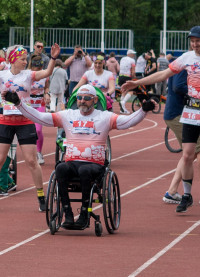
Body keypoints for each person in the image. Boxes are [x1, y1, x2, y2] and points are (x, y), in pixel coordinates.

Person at [9, 85, 148, 229]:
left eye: (87, 98)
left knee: (85, 171)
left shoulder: (105, 117)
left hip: (95, 164)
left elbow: (128, 122)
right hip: (72, 162)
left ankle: (84, 214)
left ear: (94, 100)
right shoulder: (68, 115)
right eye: (79, 98)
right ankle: (68, 213)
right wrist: (18, 104)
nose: (82, 101)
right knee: (61, 168)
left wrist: (143, 110)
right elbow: (40, 117)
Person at [0, 41, 62, 212]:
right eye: (23, 59)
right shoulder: (1, 75)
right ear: (14, 59)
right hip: (5, 121)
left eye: (26, 59)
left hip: (25, 121)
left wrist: (53, 58)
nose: (25, 61)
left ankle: (41, 197)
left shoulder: (29, 75)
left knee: (31, 160)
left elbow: (47, 72)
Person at [124, 26, 200, 214]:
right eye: (193, 41)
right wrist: (138, 82)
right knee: (188, 155)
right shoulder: (187, 58)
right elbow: (163, 75)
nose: (196, 44)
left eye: (198, 41)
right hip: (191, 112)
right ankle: (187, 195)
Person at [161, 68, 188, 205]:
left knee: (189, 154)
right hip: (178, 114)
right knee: (194, 152)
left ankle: (172, 191)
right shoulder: (186, 64)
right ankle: (171, 191)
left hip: (182, 114)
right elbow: (178, 86)